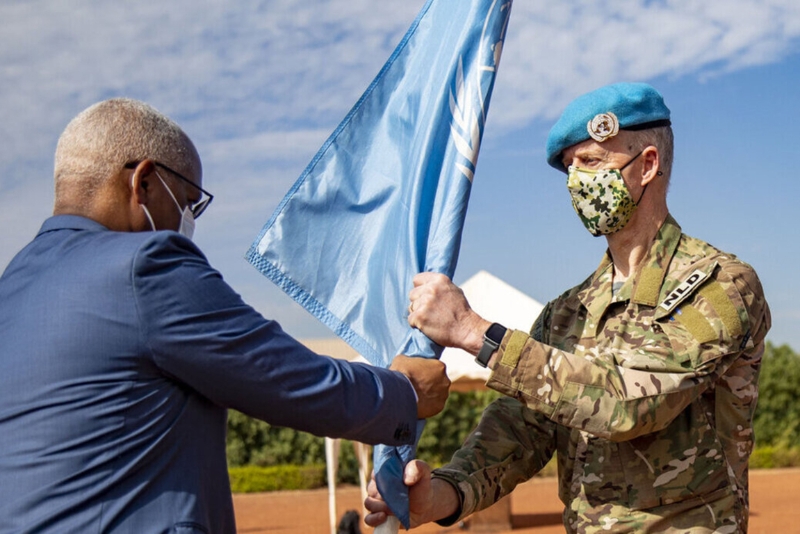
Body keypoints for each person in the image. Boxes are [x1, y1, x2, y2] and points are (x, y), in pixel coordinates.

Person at [0, 98, 451, 533]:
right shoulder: (143, 265)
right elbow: (284, 376)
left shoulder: (13, 287)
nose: (189, 221)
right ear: (144, 182)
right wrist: (404, 393)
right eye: (190, 203)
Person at [365, 82, 771, 533]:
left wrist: (474, 332)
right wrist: (442, 494)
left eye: (592, 162)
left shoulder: (721, 284)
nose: (577, 182)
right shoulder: (566, 312)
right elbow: (520, 432)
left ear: (648, 165)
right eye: (570, 168)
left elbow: (631, 404)